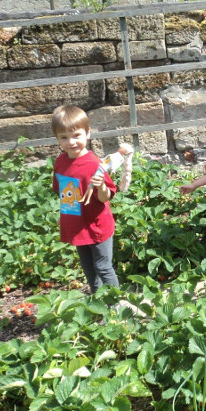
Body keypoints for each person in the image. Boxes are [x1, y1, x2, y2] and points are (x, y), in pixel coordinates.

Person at [51, 105, 119, 293]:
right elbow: (64, 192)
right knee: (89, 270)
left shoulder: (94, 165)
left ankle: (116, 306)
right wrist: (65, 216)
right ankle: (98, 302)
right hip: (77, 225)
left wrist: (100, 186)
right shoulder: (61, 162)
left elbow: (105, 197)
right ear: (57, 138)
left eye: (76, 136)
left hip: (97, 226)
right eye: (64, 137)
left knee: (103, 267)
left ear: (88, 133)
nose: (71, 142)